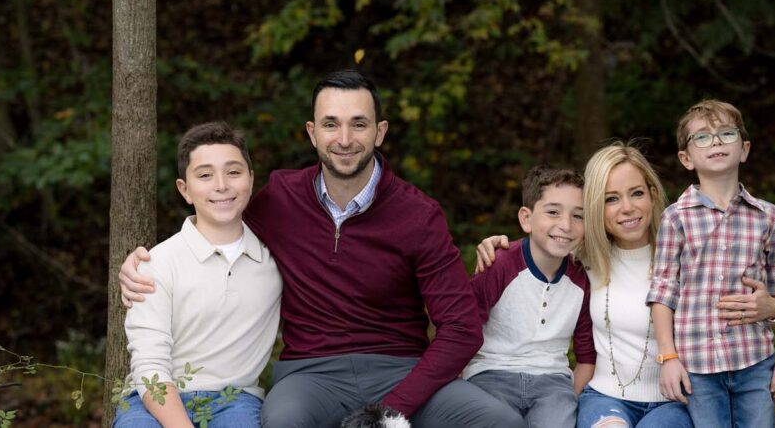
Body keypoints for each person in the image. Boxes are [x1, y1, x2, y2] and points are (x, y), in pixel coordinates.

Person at [119, 70, 524, 428]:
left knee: (500, 421)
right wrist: (143, 263)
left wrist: (391, 410)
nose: (344, 139)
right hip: (310, 375)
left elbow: (462, 328)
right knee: (282, 421)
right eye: (331, 124)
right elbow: (219, 220)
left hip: (401, 368)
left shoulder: (418, 215)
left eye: (358, 124)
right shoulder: (281, 198)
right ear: (312, 132)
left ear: (380, 132)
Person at [475, 142, 775, 428]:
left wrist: (774, 310)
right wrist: (498, 246)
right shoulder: (586, 259)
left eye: (636, 193)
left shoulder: (690, 254)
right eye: (611, 199)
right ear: (596, 207)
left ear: (652, 195)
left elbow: (734, 320)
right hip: (604, 397)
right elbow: (545, 240)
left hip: (674, 399)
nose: (627, 208)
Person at [114, 122, 281, 428]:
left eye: (233, 172)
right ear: (185, 189)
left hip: (235, 398)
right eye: (205, 175)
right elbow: (150, 366)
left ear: (251, 179)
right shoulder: (156, 263)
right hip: (153, 397)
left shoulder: (275, 260)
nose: (221, 185)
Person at [646, 99, 775, 428]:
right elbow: (662, 293)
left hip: (754, 361)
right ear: (686, 158)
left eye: (726, 134)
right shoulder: (675, 219)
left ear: (744, 149)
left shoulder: (769, 217)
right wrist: (668, 357)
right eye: (702, 136)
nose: (715, 142)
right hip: (697, 366)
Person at [464, 165, 595, 427]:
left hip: (553, 383)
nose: (566, 225)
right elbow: (462, 330)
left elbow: (586, 357)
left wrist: (570, 399)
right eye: (553, 212)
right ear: (526, 218)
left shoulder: (582, 279)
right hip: (491, 373)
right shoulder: (499, 265)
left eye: (578, 216)